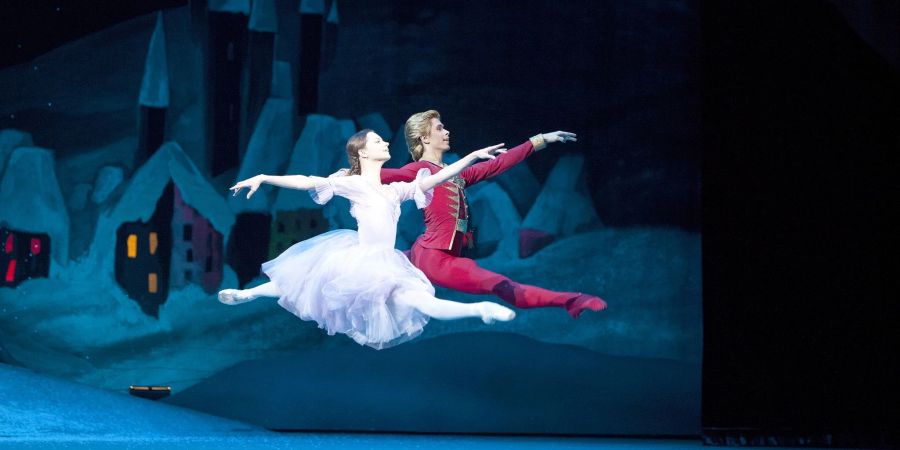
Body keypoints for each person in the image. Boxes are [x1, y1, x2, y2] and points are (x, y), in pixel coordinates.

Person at [218, 129, 515, 349]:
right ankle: (249, 294)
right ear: (362, 152)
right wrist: (264, 177)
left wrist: (471, 158)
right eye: (377, 141)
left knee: (421, 300)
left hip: (388, 263)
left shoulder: (394, 190)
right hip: (359, 258)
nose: (385, 143)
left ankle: (479, 310)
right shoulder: (354, 184)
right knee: (302, 279)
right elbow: (309, 181)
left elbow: (433, 180)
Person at [381, 110, 607, 318]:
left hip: (427, 251)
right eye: (439, 128)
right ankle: (572, 301)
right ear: (425, 138)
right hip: (435, 259)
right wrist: (349, 174)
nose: (447, 131)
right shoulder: (418, 170)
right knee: (502, 286)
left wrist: (540, 140)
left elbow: (498, 164)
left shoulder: (455, 174)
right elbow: (383, 175)